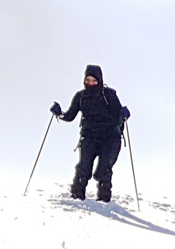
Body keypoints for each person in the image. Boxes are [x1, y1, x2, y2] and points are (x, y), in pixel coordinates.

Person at [51, 64, 129, 202]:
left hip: (109, 138)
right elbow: (70, 116)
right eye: (88, 80)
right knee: (83, 166)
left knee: (105, 169)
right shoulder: (80, 96)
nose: (90, 83)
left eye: (94, 80)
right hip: (89, 136)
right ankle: (77, 196)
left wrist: (124, 114)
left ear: (99, 80)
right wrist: (59, 114)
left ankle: (104, 200)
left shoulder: (109, 95)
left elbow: (119, 114)